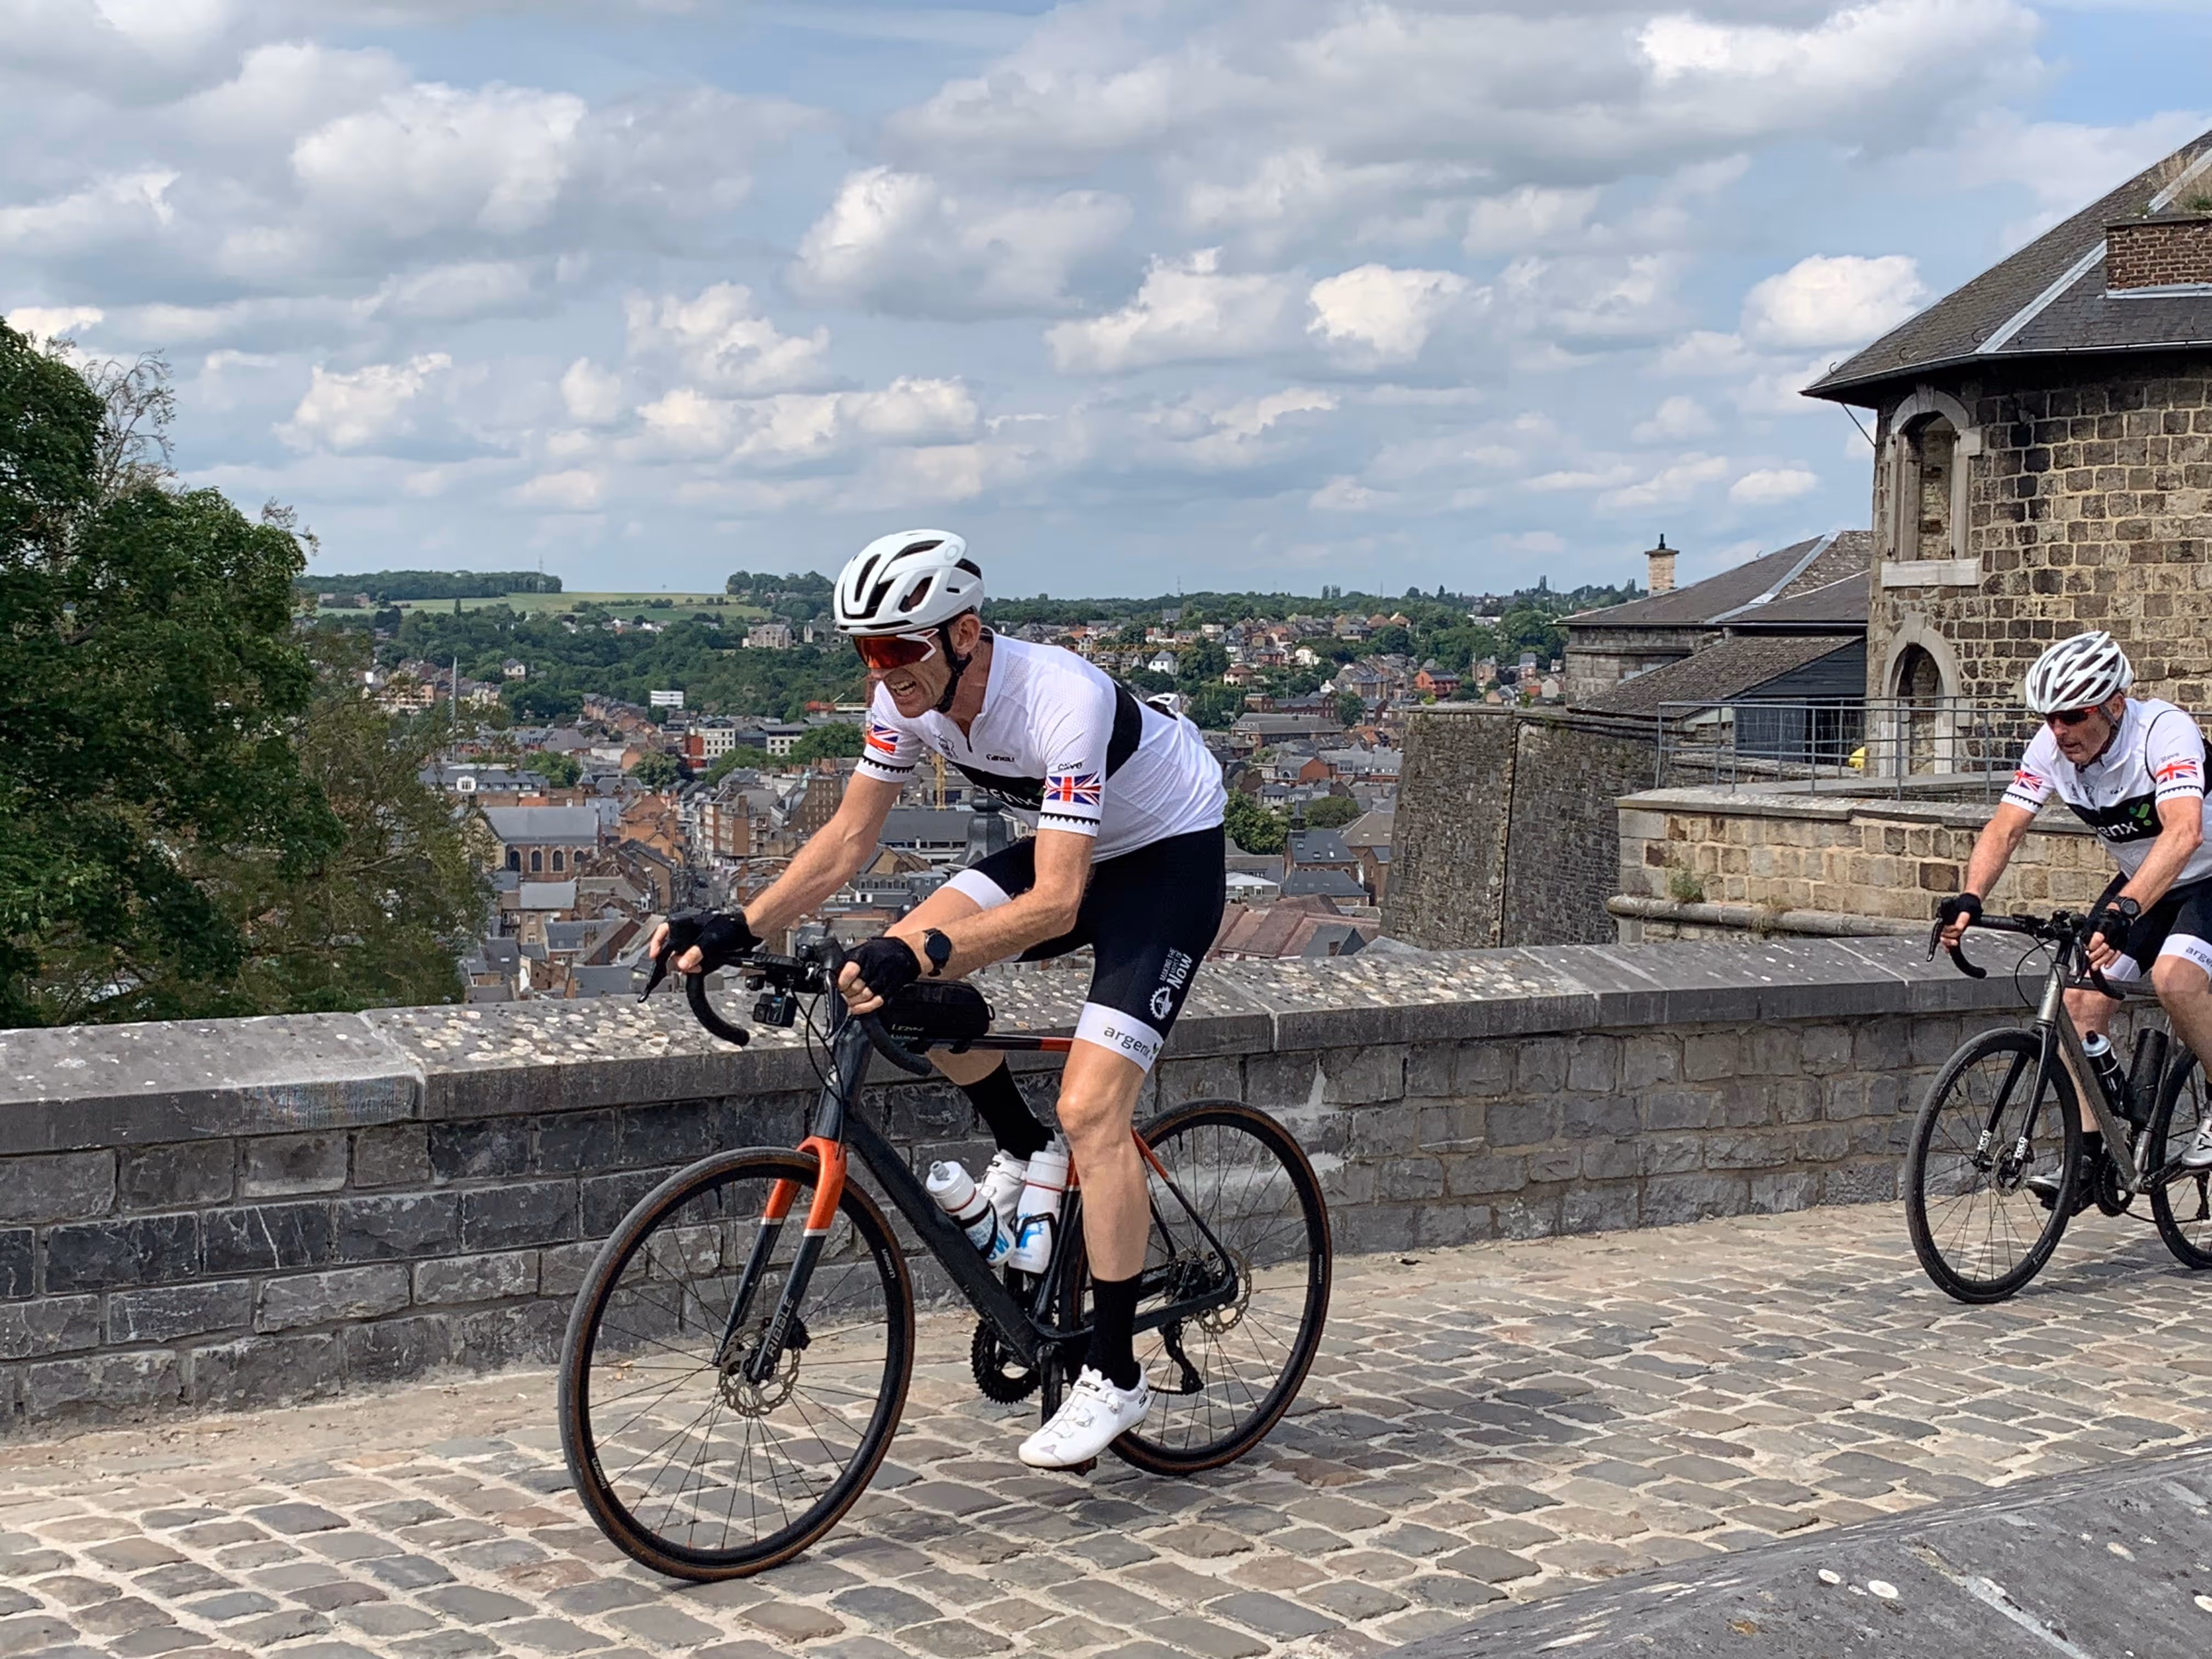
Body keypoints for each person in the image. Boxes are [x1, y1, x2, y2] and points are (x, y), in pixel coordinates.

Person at [651, 530, 1228, 1468]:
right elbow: (849, 839)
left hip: (1167, 860)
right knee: (880, 990)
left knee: (1092, 1107)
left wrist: (916, 948)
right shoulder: (901, 701)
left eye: (897, 648)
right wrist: (739, 926)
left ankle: (1115, 1371)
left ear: (964, 632)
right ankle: (1022, 1146)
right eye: (865, 652)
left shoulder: (1060, 697)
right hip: (1077, 848)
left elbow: (1059, 902)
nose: (881, 671)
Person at [1937, 630, 2212, 1205]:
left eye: (2073, 716)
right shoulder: (2050, 748)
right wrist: (1970, 897)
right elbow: (2006, 828)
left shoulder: (2164, 732)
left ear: (2114, 705)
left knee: (2175, 980)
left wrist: (2125, 909)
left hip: (2206, 871)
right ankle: (2090, 1156)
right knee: (2078, 1001)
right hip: (2146, 880)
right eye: (2050, 718)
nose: (2059, 730)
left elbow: (2184, 832)